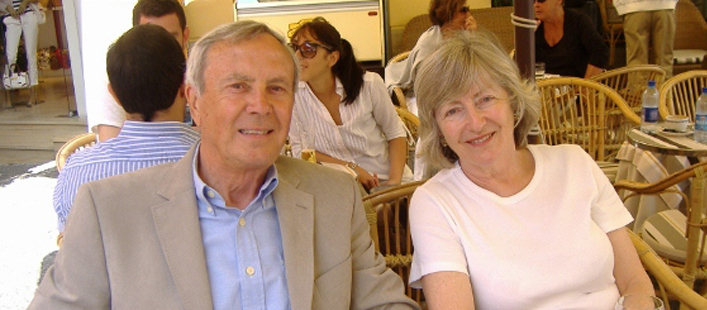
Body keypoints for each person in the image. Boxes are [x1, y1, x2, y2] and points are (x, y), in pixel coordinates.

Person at [30, 20, 418, 310]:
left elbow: (383, 301)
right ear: (193, 102)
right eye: (238, 86)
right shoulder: (108, 209)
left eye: (277, 88)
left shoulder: (335, 196)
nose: (261, 106)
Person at [408, 31, 654, 309]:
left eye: (485, 99)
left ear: (513, 101)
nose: (475, 122)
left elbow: (635, 281)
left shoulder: (575, 164)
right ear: (438, 130)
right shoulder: (436, 202)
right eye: (453, 111)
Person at [52, 24, 198, 235]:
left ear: (114, 95)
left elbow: (69, 250)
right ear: (186, 85)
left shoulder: (77, 170)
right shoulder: (216, 160)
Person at [287, 17, 411, 192]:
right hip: (338, 186)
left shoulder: (369, 84)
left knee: (382, 210)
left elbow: (396, 133)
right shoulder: (294, 95)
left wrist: (393, 184)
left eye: (308, 49)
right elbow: (301, 151)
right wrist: (352, 168)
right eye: (294, 48)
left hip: (385, 179)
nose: (298, 56)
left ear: (332, 58)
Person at [91, 0, 190, 142]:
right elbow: (109, 142)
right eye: (149, 37)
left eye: (170, 37)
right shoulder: (121, 76)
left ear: (185, 36)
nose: (159, 47)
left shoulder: (202, 72)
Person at [384, 0, 477, 115]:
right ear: (448, 13)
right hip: (423, 95)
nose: (468, 14)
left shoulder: (465, 36)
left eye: (468, 9)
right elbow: (423, 86)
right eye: (463, 10)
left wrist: (473, 37)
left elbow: (476, 70)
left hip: (455, 92)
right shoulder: (429, 42)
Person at [534, 0, 608, 78]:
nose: (536, 5)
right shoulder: (534, 28)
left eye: (541, 0)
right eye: (533, 1)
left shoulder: (578, 22)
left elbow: (600, 52)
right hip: (545, 86)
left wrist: (585, 87)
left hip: (576, 85)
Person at [613, 0, 678, 77]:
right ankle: (664, 88)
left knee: (637, 60)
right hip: (665, 6)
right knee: (664, 60)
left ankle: (639, 88)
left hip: (633, 7)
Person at [2, 0, 41, 106]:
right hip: (11, 17)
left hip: (28, 14)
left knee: (31, 55)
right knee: (10, 56)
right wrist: (7, 8)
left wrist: (25, 2)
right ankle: (8, 93)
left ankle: (33, 94)